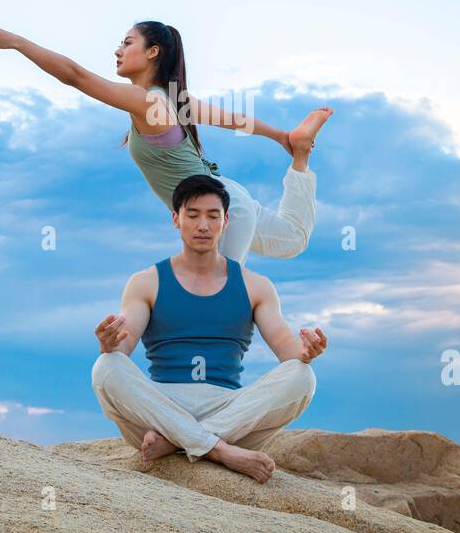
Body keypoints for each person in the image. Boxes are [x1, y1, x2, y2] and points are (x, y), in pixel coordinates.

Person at [0, 20, 332, 266]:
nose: (117, 50)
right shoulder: (174, 100)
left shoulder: (148, 102)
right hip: (229, 199)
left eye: (127, 43)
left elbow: (76, 76)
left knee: (218, 297)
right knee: (292, 240)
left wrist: (19, 43)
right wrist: (285, 139)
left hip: (218, 209)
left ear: (153, 53)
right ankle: (301, 160)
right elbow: (234, 119)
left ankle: (214, 374)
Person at [89, 174, 328, 483]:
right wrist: (110, 343)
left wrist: (308, 351)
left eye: (213, 216)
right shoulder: (146, 281)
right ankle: (219, 450)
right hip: (162, 405)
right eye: (193, 215)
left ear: (226, 221)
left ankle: (180, 441)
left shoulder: (256, 286)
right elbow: (124, 343)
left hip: (227, 409)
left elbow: (287, 348)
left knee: (302, 375)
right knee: (106, 367)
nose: (203, 225)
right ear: (176, 219)